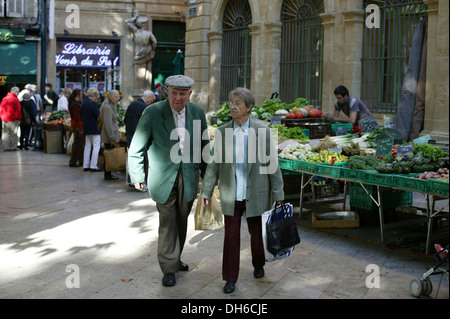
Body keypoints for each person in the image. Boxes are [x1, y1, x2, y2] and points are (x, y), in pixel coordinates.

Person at [200, 87, 284, 294]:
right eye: (231, 102)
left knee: (256, 234)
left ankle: (258, 264)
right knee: (230, 236)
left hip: (256, 191)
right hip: (231, 191)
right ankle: (230, 278)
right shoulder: (222, 132)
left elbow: (272, 164)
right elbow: (214, 165)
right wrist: (206, 191)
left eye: (238, 103)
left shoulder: (261, 131)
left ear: (249, 107)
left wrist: (279, 194)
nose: (233, 107)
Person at [128, 75, 209, 287]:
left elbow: (203, 148)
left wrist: (209, 179)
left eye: (183, 94)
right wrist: (136, 174)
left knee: (181, 220)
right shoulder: (153, 112)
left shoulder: (198, 113)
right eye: (174, 93)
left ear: (190, 94)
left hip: (189, 176)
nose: (178, 98)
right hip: (162, 177)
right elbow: (137, 145)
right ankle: (168, 267)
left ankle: (175, 257)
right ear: (167, 92)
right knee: (167, 222)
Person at [124, 90, 155, 190]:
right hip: (138, 136)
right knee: (141, 159)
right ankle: (140, 182)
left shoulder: (132, 104)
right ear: (149, 98)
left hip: (130, 134)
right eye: (151, 100)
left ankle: (131, 180)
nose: (151, 103)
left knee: (131, 157)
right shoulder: (143, 107)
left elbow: (125, 120)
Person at [98, 90, 122, 180]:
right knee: (109, 155)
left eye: (118, 97)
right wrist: (111, 138)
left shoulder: (111, 105)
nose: (117, 99)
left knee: (109, 154)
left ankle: (108, 173)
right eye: (116, 97)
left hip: (111, 133)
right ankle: (108, 174)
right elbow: (108, 124)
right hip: (109, 135)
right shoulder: (107, 107)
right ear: (111, 97)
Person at [82, 88, 102, 173]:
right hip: (94, 127)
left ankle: (85, 165)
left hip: (86, 127)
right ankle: (93, 166)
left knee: (87, 146)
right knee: (96, 147)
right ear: (93, 95)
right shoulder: (93, 104)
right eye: (96, 96)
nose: (97, 97)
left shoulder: (84, 103)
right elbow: (98, 116)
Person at [0, 87, 22, 151]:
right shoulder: (15, 99)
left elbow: (1, 108)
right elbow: (18, 109)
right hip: (13, 119)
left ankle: (6, 147)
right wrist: (17, 117)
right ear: (16, 92)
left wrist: (2, 117)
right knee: (14, 133)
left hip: (4, 119)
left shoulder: (4, 98)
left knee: (5, 133)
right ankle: (13, 147)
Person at [68, 88, 85, 168]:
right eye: (81, 94)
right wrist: (80, 129)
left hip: (77, 125)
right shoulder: (75, 104)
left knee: (80, 144)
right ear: (78, 95)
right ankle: (73, 161)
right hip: (77, 126)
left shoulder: (75, 103)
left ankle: (80, 160)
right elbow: (77, 117)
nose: (82, 96)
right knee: (77, 144)